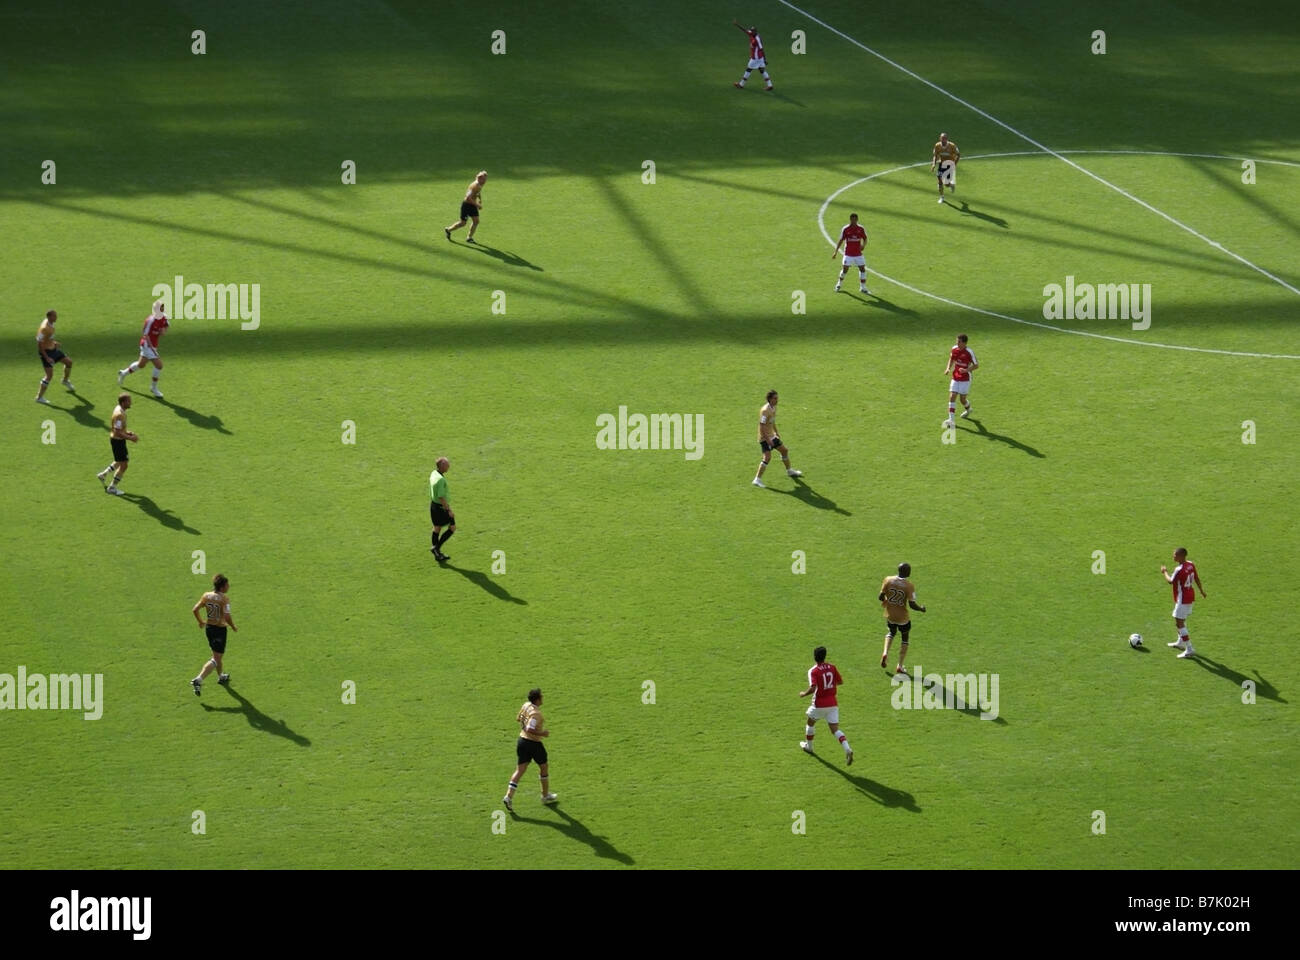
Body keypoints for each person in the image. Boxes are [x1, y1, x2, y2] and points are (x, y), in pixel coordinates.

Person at [503, 688, 558, 811]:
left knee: (520, 770)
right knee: (544, 767)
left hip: (521, 741)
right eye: (541, 697)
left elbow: (519, 718)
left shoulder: (526, 705)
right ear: (537, 699)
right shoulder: (536, 714)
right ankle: (545, 795)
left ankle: (508, 796)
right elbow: (529, 728)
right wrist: (542, 733)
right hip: (533, 744)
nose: (542, 698)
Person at [798, 646, 853, 765]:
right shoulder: (832, 667)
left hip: (819, 704)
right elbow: (840, 681)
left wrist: (803, 694)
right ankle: (847, 749)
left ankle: (809, 747)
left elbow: (813, 687)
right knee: (835, 730)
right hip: (833, 703)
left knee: (810, 723)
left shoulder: (814, 671)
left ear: (814, 657)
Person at [191, 574, 238, 695]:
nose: (229, 586)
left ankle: (221, 676)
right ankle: (199, 679)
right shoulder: (224, 599)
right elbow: (227, 616)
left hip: (209, 628)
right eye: (227, 585)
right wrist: (233, 626)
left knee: (217, 655)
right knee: (216, 658)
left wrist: (201, 622)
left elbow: (195, 609)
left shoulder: (206, 595)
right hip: (219, 630)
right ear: (222, 587)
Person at [879, 562, 926, 674]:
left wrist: (887, 600)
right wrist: (921, 609)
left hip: (890, 614)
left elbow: (880, 597)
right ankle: (899, 665)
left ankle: (885, 652)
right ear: (907, 572)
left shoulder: (888, 580)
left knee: (891, 632)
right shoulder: (909, 586)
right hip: (903, 618)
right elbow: (912, 605)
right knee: (905, 638)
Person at [117, 300, 170, 398]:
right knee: (159, 365)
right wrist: (152, 350)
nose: (163, 310)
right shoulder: (150, 320)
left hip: (153, 345)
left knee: (141, 365)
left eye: (163, 308)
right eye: (161, 308)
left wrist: (163, 331)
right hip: (147, 345)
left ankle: (123, 373)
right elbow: (145, 335)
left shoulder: (163, 318)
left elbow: (166, 327)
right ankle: (153, 388)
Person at [1162, 548, 1206, 659]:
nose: (1173, 556)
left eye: (1175, 555)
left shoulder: (1179, 569)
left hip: (1183, 598)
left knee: (1179, 622)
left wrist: (1164, 572)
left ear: (1181, 556)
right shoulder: (1191, 564)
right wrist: (1201, 591)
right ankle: (1180, 641)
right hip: (1190, 595)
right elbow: (1196, 578)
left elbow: (1170, 581)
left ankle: (1189, 648)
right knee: (1180, 620)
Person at [752, 389, 802, 488]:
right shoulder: (765, 410)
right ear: (770, 399)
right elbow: (761, 426)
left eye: (777, 398)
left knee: (784, 450)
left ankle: (789, 471)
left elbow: (772, 421)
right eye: (775, 398)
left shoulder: (774, 407)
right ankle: (757, 479)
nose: (777, 400)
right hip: (764, 437)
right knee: (767, 457)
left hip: (772, 435)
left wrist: (776, 432)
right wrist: (768, 439)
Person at [96, 393, 138, 496]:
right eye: (129, 401)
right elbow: (117, 432)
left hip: (118, 440)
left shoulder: (119, 409)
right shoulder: (120, 415)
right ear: (123, 402)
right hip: (118, 441)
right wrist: (130, 438)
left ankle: (103, 475)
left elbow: (119, 429)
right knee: (124, 465)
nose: (130, 402)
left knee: (120, 461)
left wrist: (126, 432)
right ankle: (112, 487)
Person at [35, 310, 75, 403]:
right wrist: (46, 357)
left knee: (69, 362)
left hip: (53, 350)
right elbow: (39, 343)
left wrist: (53, 342)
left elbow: (48, 337)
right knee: (49, 376)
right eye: (54, 316)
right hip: (47, 353)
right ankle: (39, 398)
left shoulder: (51, 324)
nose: (56, 317)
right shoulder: (44, 328)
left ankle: (65, 380)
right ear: (49, 317)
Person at [942, 334, 978, 428]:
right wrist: (948, 368)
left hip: (965, 378)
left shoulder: (969, 352)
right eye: (956, 341)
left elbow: (976, 365)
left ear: (964, 343)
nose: (957, 343)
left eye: (959, 342)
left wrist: (966, 370)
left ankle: (968, 409)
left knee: (962, 399)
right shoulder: (954, 349)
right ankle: (951, 420)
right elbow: (951, 358)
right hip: (956, 376)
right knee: (952, 395)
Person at [444, 171, 487, 243]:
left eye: (486, 180)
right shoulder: (474, 186)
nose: (485, 181)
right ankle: (448, 230)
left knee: (476, 221)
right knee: (463, 223)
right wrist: (477, 205)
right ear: (479, 178)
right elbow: (468, 198)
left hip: (472, 205)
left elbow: (478, 192)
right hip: (466, 205)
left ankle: (469, 238)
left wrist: (479, 199)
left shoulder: (480, 184)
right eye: (484, 180)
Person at [832, 213, 870, 294]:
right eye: (852, 220)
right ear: (850, 220)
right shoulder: (846, 229)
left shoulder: (861, 229)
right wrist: (835, 251)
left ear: (857, 220)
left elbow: (865, 238)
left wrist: (863, 245)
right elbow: (841, 240)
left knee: (862, 269)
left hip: (858, 254)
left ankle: (863, 287)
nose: (854, 221)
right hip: (848, 254)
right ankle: (839, 284)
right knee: (845, 269)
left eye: (855, 219)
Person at [732, 20, 773, 91]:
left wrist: (765, 59)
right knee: (762, 70)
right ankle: (770, 85)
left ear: (756, 31)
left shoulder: (757, 38)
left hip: (756, 58)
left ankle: (741, 85)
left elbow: (761, 49)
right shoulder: (751, 34)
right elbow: (744, 30)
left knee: (748, 69)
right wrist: (737, 25)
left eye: (753, 31)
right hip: (758, 58)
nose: (752, 32)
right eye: (751, 31)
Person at [429, 457, 455, 562]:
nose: (449, 466)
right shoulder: (441, 480)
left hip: (433, 506)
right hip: (441, 507)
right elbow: (441, 497)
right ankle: (436, 548)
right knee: (452, 528)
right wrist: (449, 510)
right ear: (442, 466)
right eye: (447, 465)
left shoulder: (434, 473)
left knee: (437, 528)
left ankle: (437, 554)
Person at [931, 132, 960, 203]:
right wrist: (934, 164)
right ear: (940, 138)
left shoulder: (952, 146)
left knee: (946, 184)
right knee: (939, 180)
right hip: (942, 164)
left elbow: (958, 155)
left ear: (947, 139)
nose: (943, 139)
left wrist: (954, 164)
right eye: (942, 138)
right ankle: (942, 197)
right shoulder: (937, 145)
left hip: (949, 164)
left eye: (944, 138)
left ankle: (951, 185)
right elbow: (935, 155)